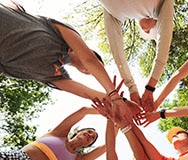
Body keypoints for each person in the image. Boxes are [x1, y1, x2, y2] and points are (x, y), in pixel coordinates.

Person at [0, 0, 131, 120]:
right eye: (96, 66)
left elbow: (89, 93)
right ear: (89, 51)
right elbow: (89, 60)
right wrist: (113, 93)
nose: (90, 70)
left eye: (90, 72)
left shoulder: (56, 75)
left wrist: (124, 103)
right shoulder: (59, 33)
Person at [98, 0, 174, 111]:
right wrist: (144, 87)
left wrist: (134, 88)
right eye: (149, 30)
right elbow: (117, 54)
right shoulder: (160, 6)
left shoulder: (113, 10)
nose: (147, 31)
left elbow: (117, 52)